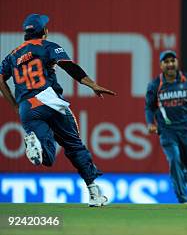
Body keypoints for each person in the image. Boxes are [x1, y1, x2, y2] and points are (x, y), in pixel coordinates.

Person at [0, 14, 116, 207]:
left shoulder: (11, 56)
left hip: (27, 108)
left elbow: (0, 78)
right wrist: (92, 84)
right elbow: (69, 67)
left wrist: (14, 105)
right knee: (74, 145)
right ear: (44, 31)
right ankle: (94, 193)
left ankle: (33, 146)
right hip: (48, 100)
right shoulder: (47, 46)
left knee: (47, 159)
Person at [145, 50, 187, 204]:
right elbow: (149, 107)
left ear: (177, 62)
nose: (170, 64)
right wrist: (150, 123)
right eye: (166, 62)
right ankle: (182, 198)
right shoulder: (155, 85)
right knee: (174, 160)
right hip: (167, 130)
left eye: (173, 61)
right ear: (161, 65)